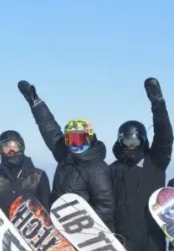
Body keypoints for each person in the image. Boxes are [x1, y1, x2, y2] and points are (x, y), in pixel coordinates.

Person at [16, 80, 116, 231]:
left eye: (79, 139)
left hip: (86, 234)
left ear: (90, 138)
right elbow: (50, 129)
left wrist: (83, 226)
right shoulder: (66, 157)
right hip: (61, 228)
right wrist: (35, 103)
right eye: (70, 140)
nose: (74, 145)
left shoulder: (97, 168)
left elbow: (106, 206)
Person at [108, 78, 174, 251]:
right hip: (123, 240)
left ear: (143, 140)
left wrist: (158, 103)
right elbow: (106, 204)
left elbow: (165, 136)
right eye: (127, 140)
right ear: (120, 142)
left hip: (153, 239)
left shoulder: (156, 162)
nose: (131, 145)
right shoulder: (113, 169)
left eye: (135, 140)